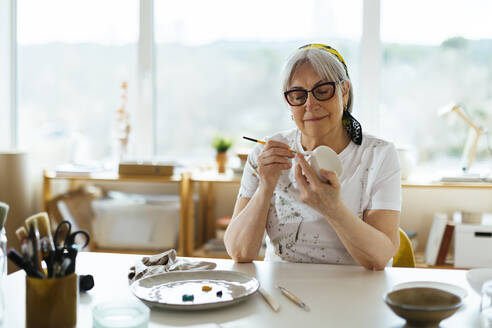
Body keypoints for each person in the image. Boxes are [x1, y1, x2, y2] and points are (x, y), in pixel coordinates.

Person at [224, 44, 401, 270]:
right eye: (298, 95)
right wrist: (265, 186)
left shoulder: (378, 155)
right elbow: (239, 252)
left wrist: (332, 208)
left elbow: (379, 258)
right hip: (284, 292)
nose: (310, 104)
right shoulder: (266, 154)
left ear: (344, 92)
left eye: (323, 90)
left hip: (356, 294)